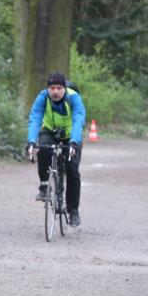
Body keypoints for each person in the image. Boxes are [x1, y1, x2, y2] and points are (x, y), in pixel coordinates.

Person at [25, 72, 86, 227]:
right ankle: (45, 185)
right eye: (52, 88)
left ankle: (73, 210)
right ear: (48, 89)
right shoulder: (43, 97)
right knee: (43, 148)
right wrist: (31, 141)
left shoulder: (73, 98)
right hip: (49, 130)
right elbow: (35, 117)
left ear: (64, 88)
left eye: (59, 88)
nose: (55, 92)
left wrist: (74, 142)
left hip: (71, 134)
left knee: (72, 170)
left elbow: (79, 119)